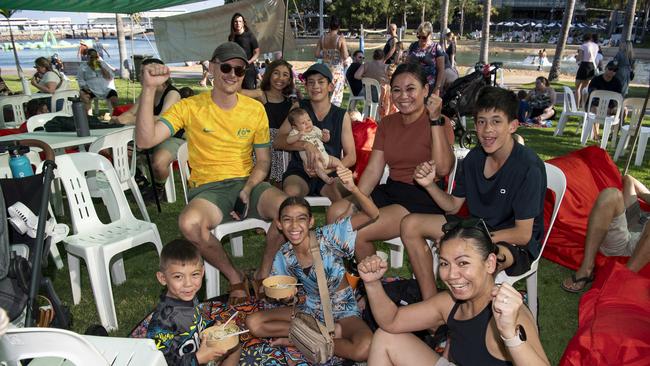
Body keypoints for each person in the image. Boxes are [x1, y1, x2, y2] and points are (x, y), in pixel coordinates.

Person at [135, 42, 288, 304]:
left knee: (290, 210)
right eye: (226, 67)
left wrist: (248, 188)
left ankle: (263, 272)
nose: (232, 74)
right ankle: (235, 276)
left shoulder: (254, 110)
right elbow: (145, 140)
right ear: (213, 67)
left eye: (239, 70)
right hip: (209, 190)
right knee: (189, 223)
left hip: (247, 183)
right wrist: (149, 89)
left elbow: (263, 162)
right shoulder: (190, 106)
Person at [400, 86, 547, 300]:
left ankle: (472, 318)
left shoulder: (528, 167)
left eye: (496, 121)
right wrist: (429, 184)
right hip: (477, 227)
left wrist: (469, 239)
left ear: (513, 126)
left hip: (512, 242)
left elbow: (523, 234)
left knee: (479, 260)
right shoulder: (473, 159)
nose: (487, 130)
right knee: (410, 224)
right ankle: (430, 299)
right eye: (481, 121)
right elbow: (452, 206)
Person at [359, 219, 550, 366]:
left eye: (463, 263)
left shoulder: (508, 314)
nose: (451, 275)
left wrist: (510, 335)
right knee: (386, 338)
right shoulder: (449, 302)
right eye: (444, 263)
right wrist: (372, 283)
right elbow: (391, 321)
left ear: (490, 263)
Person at [326, 62, 455, 261]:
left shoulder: (439, 121)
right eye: (397, 90)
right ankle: (341, 276)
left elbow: (444, 168)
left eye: (411, 89)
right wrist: (356, 201)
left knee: (356, 230)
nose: (403, 96)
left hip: (421, 197)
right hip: (392, 190)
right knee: (336, 211)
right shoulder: (387, 123)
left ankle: (370, 284)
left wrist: (435, 120)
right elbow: (373, 170)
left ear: (425, 90)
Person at [245, 168, 377, 363]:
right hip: (310, 309)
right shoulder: (284, 254)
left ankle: (304, 339)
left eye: (301, 219)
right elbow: (283, 290)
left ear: (311, 222)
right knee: (253, 323)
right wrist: (284, 295)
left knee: (365, 348)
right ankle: (313, 338)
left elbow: (372, 214)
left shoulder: (330, 237)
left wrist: (354, 190)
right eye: (287, 220)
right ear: (279, 224)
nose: (294, 226)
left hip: (343, 309)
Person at [147, 239, 241, 366]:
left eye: (194, 274)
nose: (188, 284)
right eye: (178, 277)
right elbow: (159, 361)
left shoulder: (190, 296)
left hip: (200, 352)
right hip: (188, 361)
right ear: (163, 278)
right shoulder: (163, 320)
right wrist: (198, 358)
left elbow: (197, 322)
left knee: (234, 347)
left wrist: (214, 327)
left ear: (202, 272)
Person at [274, 63, 356, 202]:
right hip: (300, 169)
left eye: (321, 82)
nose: (315, 86)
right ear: (305, 87)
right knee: (291, 193)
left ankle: (337, 223)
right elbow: (278, 141)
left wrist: (326, 171)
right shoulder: (299, 108)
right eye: (310, 82)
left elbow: (351, 156)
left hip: (329, 169)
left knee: (337, 192)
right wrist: (304, 145)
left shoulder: (341, 115)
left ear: (330, 86)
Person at [561, 175, 650, 293]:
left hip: (641, 249)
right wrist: (646, 196)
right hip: (626, 232)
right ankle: (586, 268)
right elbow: (628, 180)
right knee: (610, 194)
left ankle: (621, 279)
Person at [111, 58, 182, 198]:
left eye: (145, 72)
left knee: (159, 162)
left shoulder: (172, 94)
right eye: (141, 73)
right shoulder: (147, 92)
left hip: (174, 136)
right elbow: (131, 112)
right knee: (117, 150)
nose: (140, 76)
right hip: (148, 136)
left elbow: (163, 119)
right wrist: (118, 119)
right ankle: (141, 184)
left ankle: (158, 189)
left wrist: (131, 120)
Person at [239, 59, 298, 186]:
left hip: (282, 145)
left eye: (285, 75)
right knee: (262, 180)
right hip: (263, 143)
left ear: (289, 80)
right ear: (269, 75)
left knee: (281, 180)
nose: (280, 78)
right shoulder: (261, 95)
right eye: (276, 73)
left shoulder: (290, 102)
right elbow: (236, 92)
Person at [286, 108, 342, 184]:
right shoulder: (295, 132)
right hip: (313, 161)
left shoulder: (315, 129)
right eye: (303, 123)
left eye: (309, 120)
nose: (307, 123)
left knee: (337, 161)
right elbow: (288, 141)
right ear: (295, 127)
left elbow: (324, 139)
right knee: (318, 167)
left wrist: (326, 135)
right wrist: (298, 136)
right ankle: (327, 179)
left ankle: (344, 173)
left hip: (325, 156)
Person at [315, 15, 349, 107]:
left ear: (329, 26)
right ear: (339, 27)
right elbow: (345, 56)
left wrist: (327, 55)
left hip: (325, 70)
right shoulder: (340, 38)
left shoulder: (322, 38)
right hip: (337, 71)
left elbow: (317, 54)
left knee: (325, 95)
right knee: (336, 99)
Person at [586, 60, 623, 140]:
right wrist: (603, 106)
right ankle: (596, 134)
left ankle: (613, 134)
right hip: (597, 106)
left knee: (624, 110)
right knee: (594, 109)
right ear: (605, 68)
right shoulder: (596, 80)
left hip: (611, 107)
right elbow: (592, 96)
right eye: (610, 69)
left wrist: (612, 107)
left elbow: (618, 98)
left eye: (615, 70)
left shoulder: (617, 82)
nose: (612, 71)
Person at [407, 22, 446, 97]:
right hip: (413, 86)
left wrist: (437, 88)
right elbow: (406, 64)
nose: (421, 39)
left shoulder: (437, 48)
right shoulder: (413, 46)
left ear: (430, 34)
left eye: (424, 37)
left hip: (430, 87)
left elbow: (441, 70)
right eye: (419, 37)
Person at [77, 48, 118, 114]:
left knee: (114, 97)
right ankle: (88, 115)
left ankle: (116, 115)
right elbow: (80, 79)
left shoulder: (103, 64)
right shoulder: (83, 66)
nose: (94, 59)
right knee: (84, 95)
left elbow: (110, 77)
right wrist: (85, 87)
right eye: (91, 57)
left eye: (95, 57)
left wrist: (101, 67)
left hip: (105, 88)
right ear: (87, 57)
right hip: (91, 89)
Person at [228, 13, 260, 90]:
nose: (238, 23)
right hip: (235, 70)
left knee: (249, 93)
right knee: (236, 92)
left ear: (243, 23)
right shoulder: (231, 37)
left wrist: (249, 61)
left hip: (248, 70)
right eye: (235, 21)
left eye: (240, 21)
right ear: (233, 23)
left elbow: (257, 52)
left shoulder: (250, 35)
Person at [575, 34, 599, 109]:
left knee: (577, 87)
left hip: (584, 65)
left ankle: (577, 105)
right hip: (592, 66)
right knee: (585, 87)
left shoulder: (583, 46)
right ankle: (583, 104)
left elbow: (580, 57)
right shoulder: (596, 46)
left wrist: (576, 58)